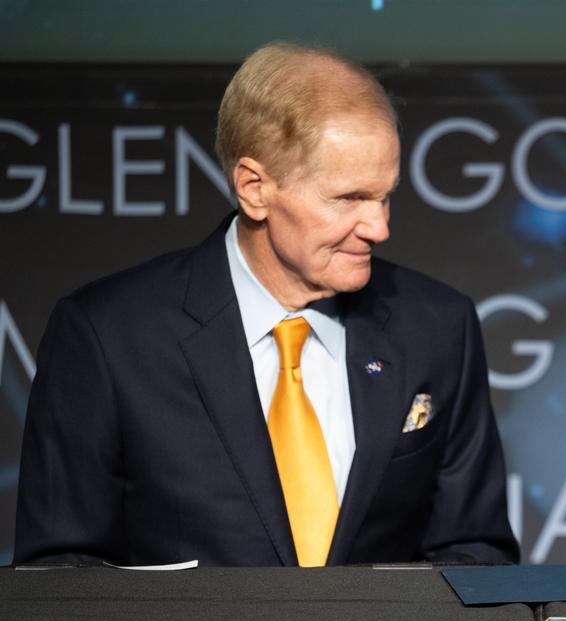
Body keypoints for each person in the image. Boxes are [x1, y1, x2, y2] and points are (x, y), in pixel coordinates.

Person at [14, 42, 519, 566]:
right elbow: (59, 576)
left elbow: (476, 554)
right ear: (255, 188)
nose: (379, 227)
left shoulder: (437, 326)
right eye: (348, 198)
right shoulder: (108, 335)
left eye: (385, 195)